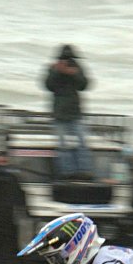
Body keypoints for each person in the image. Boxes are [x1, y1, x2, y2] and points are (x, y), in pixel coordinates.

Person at [43, 44, 93, 179]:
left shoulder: (77, 68)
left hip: (75, 112)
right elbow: (48, 86)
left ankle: (84, 171)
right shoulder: (53, 68)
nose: (67, 61)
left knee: (82, 143)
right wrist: (57, 71)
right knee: (62, 145)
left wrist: (74, 73)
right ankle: (67, 172)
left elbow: (84, 85)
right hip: (59, 113)